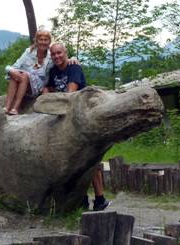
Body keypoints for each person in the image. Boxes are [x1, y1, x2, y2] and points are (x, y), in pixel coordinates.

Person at [43, 43, 110, 211]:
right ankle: (81, 198)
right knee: (73, 161)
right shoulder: (53, 71)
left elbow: (70, 94)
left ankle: (100, 198)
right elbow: (48, 88)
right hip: (64, 119)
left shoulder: (74, 68)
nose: (56, 56)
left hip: (82, 118)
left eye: (59, 53)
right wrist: (46, 93)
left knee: (90, 159)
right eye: (53, 54)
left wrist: (52, 99)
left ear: (66, 53)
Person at [4, 30, 52, 115]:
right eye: (41, 39)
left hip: (39, 87)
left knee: (24, 75)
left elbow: (62, 60)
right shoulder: (29, 51)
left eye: (46, 40)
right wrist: (11, 70)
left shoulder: (51, 55)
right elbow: (15, 66)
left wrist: (73, 59)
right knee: (14, 74)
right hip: (25, 83)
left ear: (49, 42)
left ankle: (15, 108)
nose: (43, 42)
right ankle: (7, 108)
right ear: (36, 41)